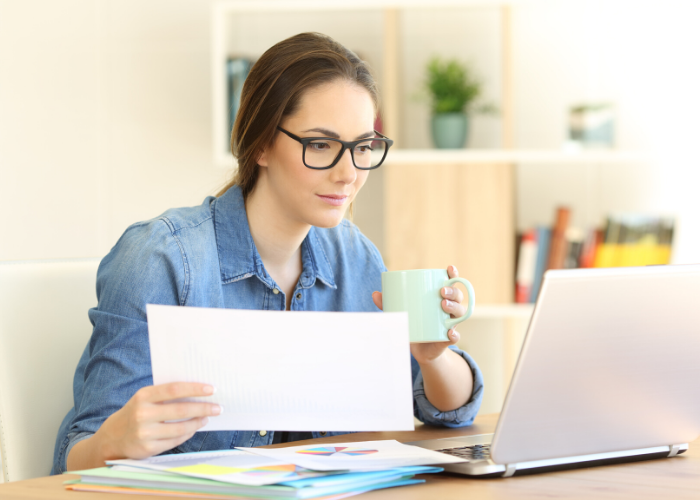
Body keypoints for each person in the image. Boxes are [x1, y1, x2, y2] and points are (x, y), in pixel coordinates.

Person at [52, 32, 484, 475]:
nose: (348, 173)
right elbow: (75, 457)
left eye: (362, 147)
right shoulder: (162, 258)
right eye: (320, 145)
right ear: (259, 144)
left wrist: (434, 357)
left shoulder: (355, 257)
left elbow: (449, 412)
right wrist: (117, 441)